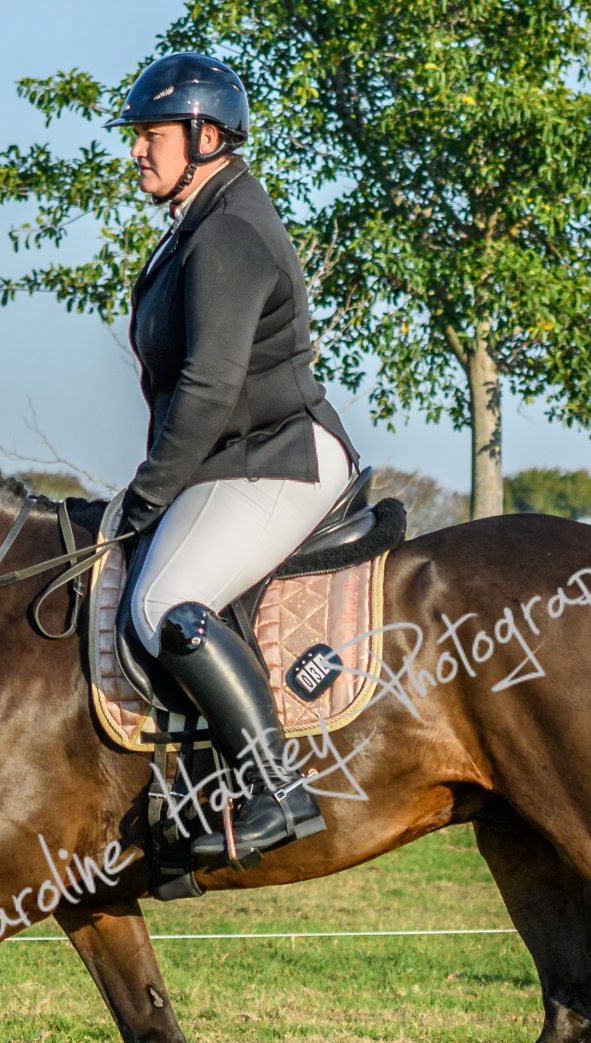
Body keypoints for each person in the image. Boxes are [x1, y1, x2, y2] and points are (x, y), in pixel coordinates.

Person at [99, 51, 360, 868]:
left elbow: (209, 387)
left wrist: (147, 494)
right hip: (238, 458)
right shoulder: (200, 223)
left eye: (152, 134)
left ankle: (277, 788)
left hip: (277, 456)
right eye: (137, 134)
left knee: (164, 604)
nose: (137, 149)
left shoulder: (229, 232)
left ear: (206, 137)